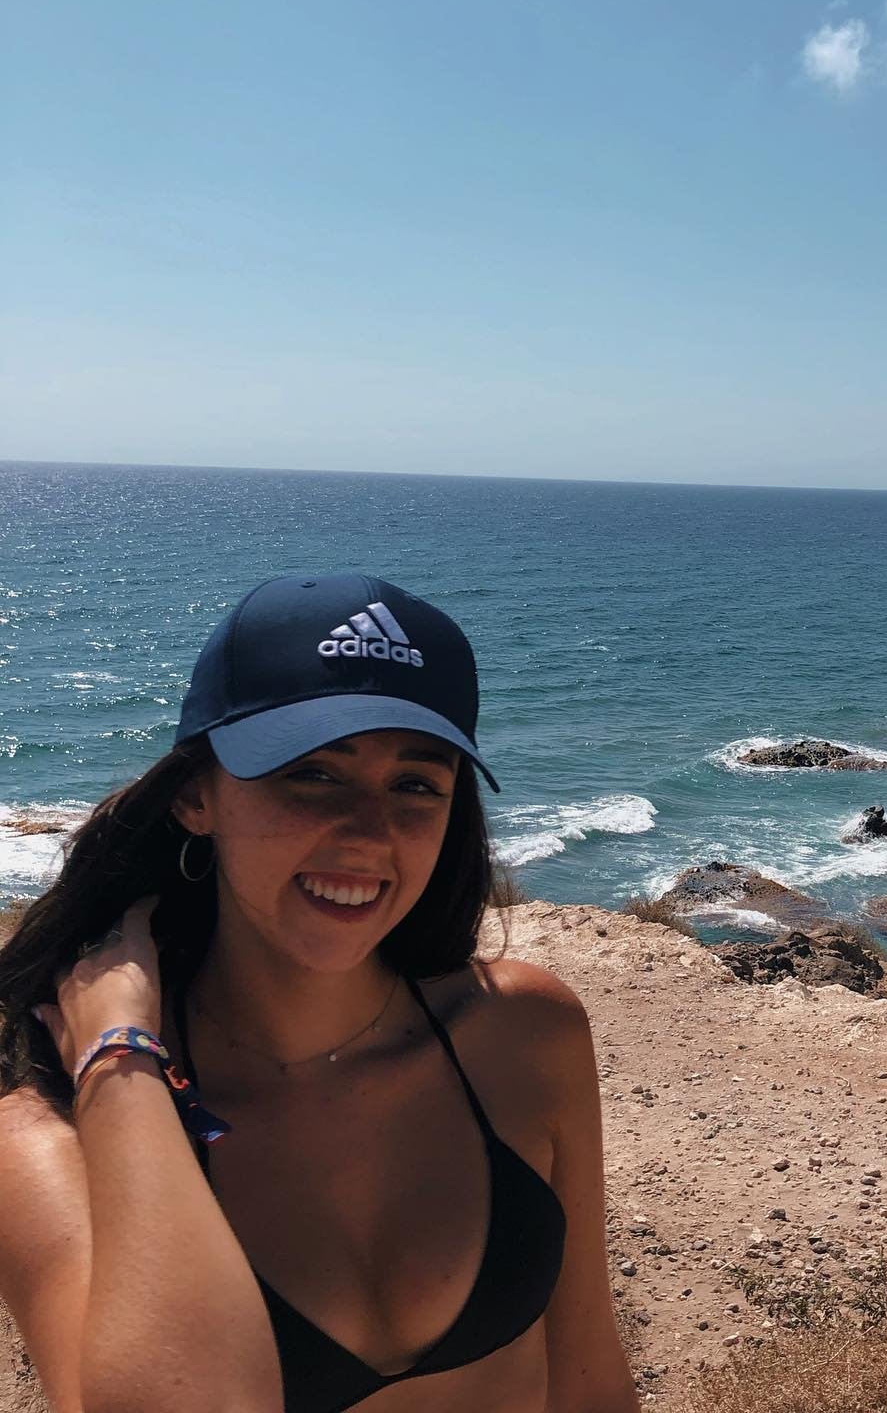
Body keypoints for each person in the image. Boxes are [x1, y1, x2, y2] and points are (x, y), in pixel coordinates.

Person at [0, 572, 640, 1413]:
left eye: (416, 785)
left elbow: (590, 1375)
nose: (371, 834)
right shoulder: (50, 1134)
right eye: (311, 774)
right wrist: (122, 1064)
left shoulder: (523, 1034)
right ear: (196, 795)